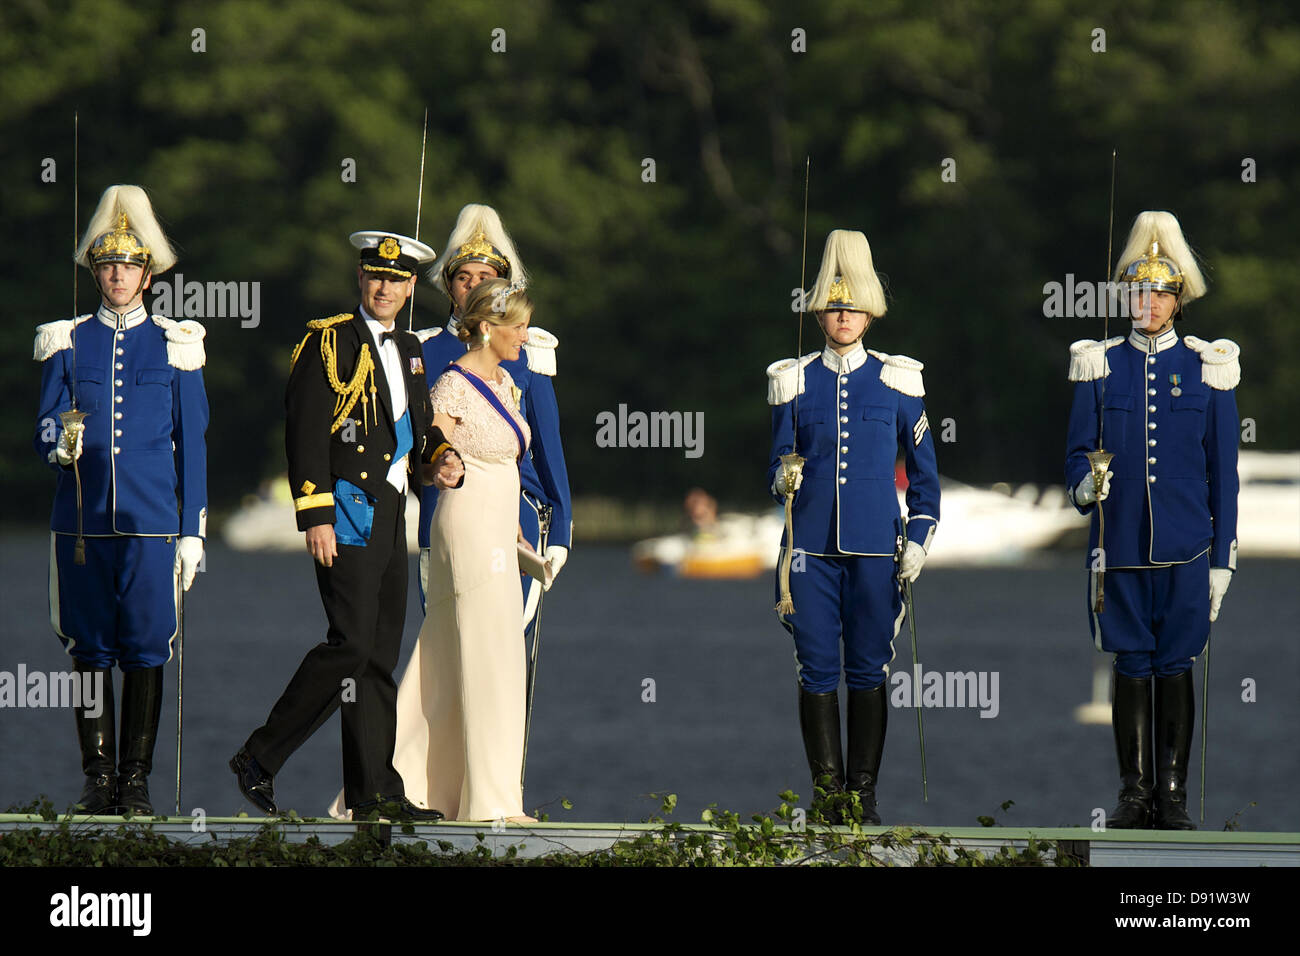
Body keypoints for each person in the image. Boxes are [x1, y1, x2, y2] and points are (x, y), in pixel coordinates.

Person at [230, 231, 461, 821]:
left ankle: (374, 791)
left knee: (378, 655)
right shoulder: (328, 341)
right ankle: (260, 754)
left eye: (397, 280)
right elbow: (304, 432)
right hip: (347, 508)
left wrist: (440, 458)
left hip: (391, 512)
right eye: (375, 277)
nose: (385, 287)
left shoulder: (410, 346)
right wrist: (316, 515)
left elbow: (420, 424)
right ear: (361, 280)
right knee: (351, 643)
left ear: (411, 288)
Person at [34, 184, 207, 815]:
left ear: (147, 274)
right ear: (95, 271)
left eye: (129, 266)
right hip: (81, 522)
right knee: (88, 649)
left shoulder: (175, 342)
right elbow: (43, 426)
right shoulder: (66, 340)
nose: (117, 275)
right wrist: (62, 444)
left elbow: (193, 444)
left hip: (152, 522)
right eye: (107, 265)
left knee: (146, 645)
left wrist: (193, 530)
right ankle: (96, 777)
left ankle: (134, 780)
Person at [1065, 211, 1238, 830]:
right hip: (1120, 545)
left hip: (1188, 546)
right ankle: (1135, 794)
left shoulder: (1207, 366)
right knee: (1131, 666)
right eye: (1141, 293)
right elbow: (1075, 454)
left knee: (1176, 666)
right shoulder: (1099, 365)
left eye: (1161, 294)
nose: (1151, 303)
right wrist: (1087, 484)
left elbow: (1225, 472)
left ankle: (1173, 795)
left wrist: (1222, 558)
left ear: (1176, 301)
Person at [766, 229, 940, 825]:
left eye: (852, 306)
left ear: (870, 313)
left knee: (868, 669)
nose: (843, 315)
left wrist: (918, 539)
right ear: (820, 312)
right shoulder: (794, 379)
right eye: (834, 306)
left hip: (873, 550)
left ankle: (862, 795)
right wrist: (781, 481)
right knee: (815, 669)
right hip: (808, 550)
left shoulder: (897, 381)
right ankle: (826, 795)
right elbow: (777, 459)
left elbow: (925, 478)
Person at [386, 276, 537, 823]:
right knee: (483, 654)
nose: (524, 334)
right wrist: (440, 463)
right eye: (517, 325)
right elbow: (427, 459)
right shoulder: (452, 385)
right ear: (488, 327)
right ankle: (488, 802)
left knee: (463, 653)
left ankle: (425, 788)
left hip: (499, 527)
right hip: (466, 523)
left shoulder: (505, 382)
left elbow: (510, 468)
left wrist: (518, 533)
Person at [414, 204, 571, 630]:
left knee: (503, 648)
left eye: (484, 279)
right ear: (449, 287)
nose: (472, 288)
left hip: (515, 519)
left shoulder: (527, 352)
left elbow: (549, 450)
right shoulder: (419, 351)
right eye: (463, 278)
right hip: (442, 515)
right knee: (450, 644)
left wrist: (559, 531)